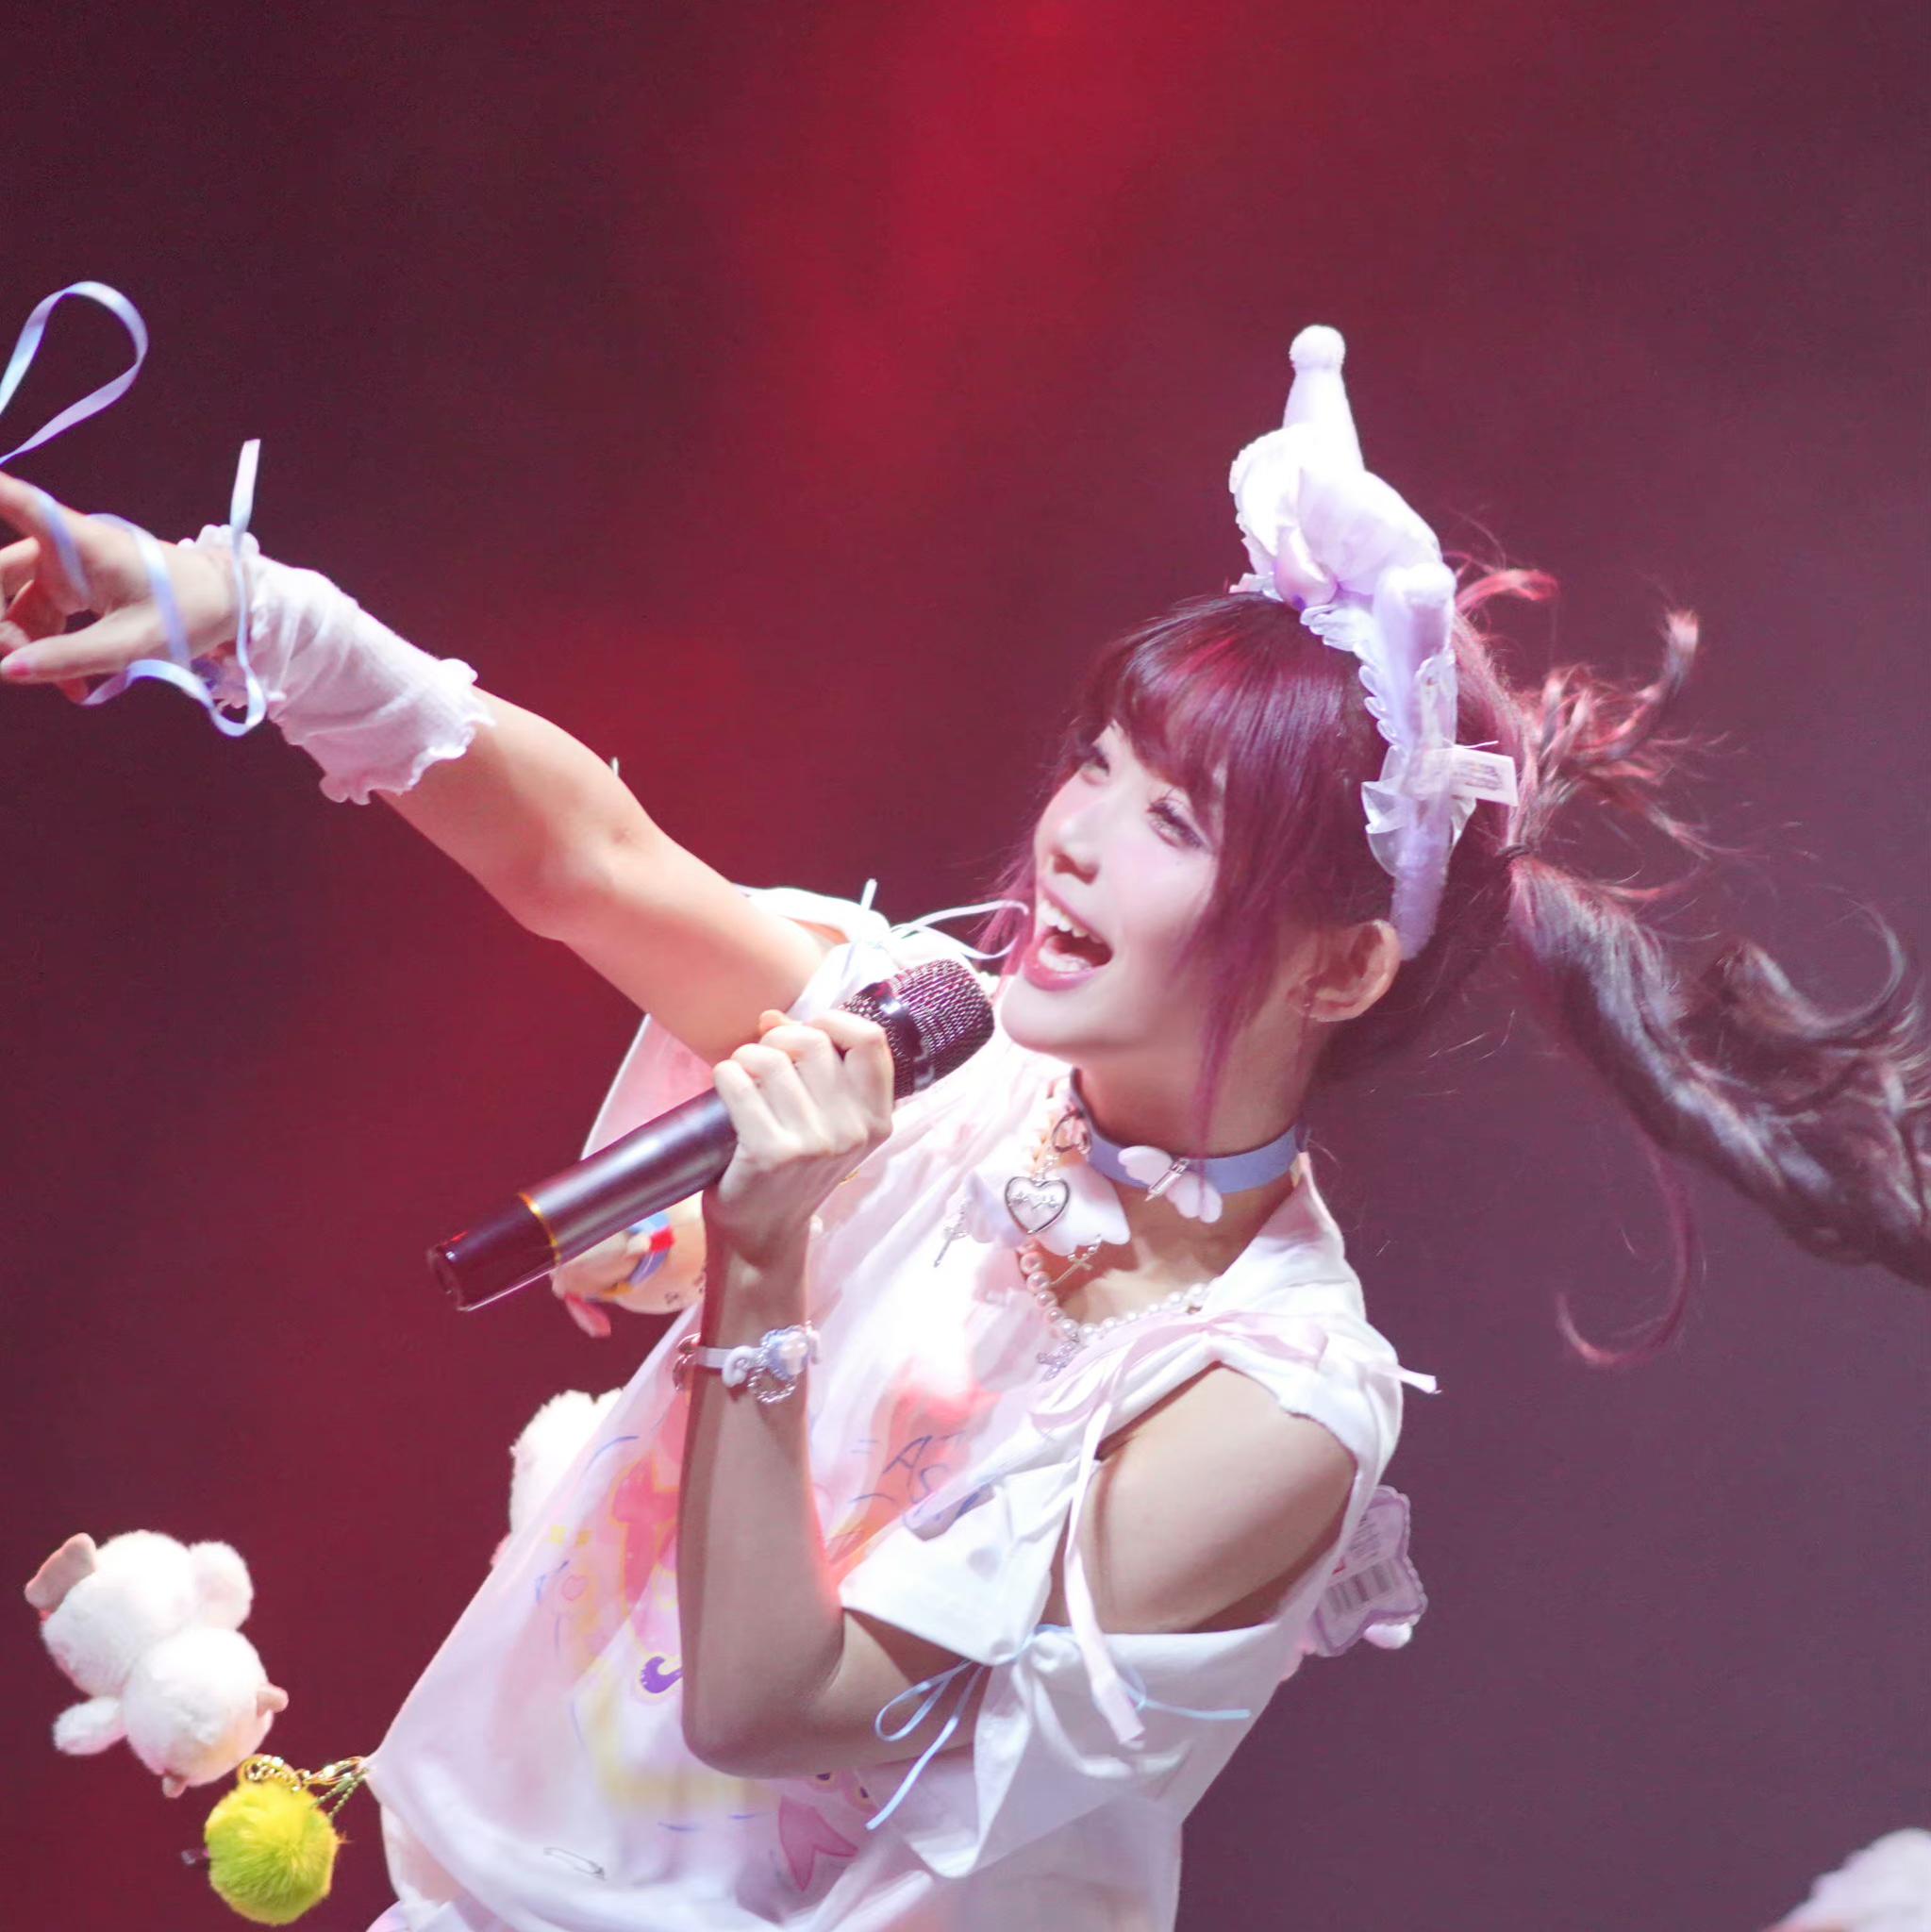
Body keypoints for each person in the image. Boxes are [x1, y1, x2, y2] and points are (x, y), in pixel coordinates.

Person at [5, 327, 1926, 1932]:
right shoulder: (942, 1050)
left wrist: (766, 1270)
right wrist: (251, 616)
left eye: (1171, 821)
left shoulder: (1269, 1399)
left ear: (1339, 969)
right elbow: (591, 859)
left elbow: (779, 1705)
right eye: (1099, 762)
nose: (1073, 835)